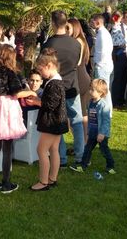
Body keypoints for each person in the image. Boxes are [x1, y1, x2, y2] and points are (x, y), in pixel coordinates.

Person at [0, 45, 36, 194]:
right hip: (5, 110)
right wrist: (31, 92)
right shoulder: (10, 72)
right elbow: (16, 93)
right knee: (8, 147)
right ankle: (6, 183)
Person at [41, 11, 83, 170]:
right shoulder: (76, 43)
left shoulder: (49, 44)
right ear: (66, 23)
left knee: (58, 122)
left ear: (53, 23)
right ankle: (80, 156)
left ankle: (62, 157)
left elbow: (44, 65)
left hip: (54, 86)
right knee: (77, 122)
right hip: (72, 85)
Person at [30, 49, 68, 191]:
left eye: (41, 69)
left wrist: (36, 102)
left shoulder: (54, 84)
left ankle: (43, 181)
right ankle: (52, 178)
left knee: (41, 150)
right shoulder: (55, 82)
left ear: (49, 66)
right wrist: (38, 99)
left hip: (52, 122)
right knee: (53, 149)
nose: (40, 73)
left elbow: (50, 104)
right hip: (58, 121)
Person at [75, 79, 115, 175]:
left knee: (104, 150)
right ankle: (83, 166)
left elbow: (106, 121)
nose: (90, 91)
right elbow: (90, 119)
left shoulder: (104, 106)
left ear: (101, 93)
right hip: (92, 132)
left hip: (101, 133)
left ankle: (111, 166)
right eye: (90, 89)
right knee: (87, 149)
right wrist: (88, 132)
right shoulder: (90, 103)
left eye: (93, 90)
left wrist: (102, 133)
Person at [67, 18, 92, 137]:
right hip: (83, 76)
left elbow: (76, 62)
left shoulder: (77, 41)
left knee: (79, 114)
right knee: (82, 112)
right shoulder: (82, 40)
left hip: (79, 78)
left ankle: (83, 141)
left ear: (75, 28)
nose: (66, 31)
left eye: (68, 28)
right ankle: (84, 140)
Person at [111, 12, 127, 108]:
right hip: (120, 55)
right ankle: (115, 101)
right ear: (123, 18)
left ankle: (121, 100)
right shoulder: (117, 28)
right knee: (118, 79)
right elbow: (114, 41)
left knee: (125, 79)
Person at [91, 14, 113, 111]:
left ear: (97, 22)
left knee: (102, 89)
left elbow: (103, 51)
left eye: (92, 21)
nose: (91, 23)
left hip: (102, 65)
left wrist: (98, 64)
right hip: (105, 64)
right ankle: (106, 109)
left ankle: (106, 110)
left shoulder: (102, 33)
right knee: (104, 88)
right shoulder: (102, 32)